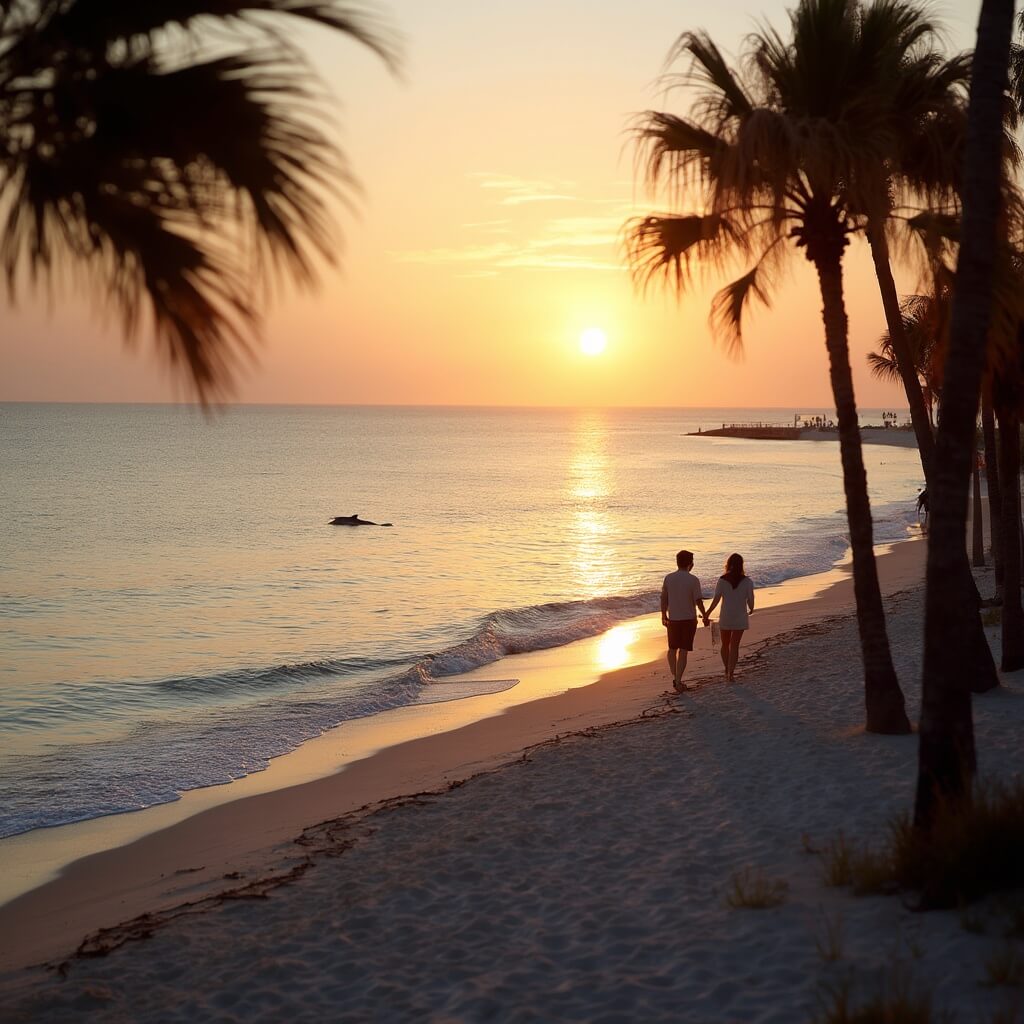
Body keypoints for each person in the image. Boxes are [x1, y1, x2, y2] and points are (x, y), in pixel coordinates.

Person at [661, 549, 708, 693]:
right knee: (683, 651)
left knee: (672, 649)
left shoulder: (669, 578)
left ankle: (676, 677)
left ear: (677, 562)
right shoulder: (693, 580)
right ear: (690, 564)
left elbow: (664, 598)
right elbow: (698, 600)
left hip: (673, 619)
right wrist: (705, 615)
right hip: (688, 620)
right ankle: (678, 680)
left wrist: (663, 615)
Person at [703, 553, 755, 682]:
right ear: (741, 565)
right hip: (740, 616)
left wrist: (707, 613)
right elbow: (750, 599)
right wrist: (751, 608)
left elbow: (716, 600)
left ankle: (726, 669)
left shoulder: (722, 580)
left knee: (725, 645)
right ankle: (731, 673)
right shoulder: (747, 581)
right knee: (735, 646)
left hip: (726, 616)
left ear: (728, 564)